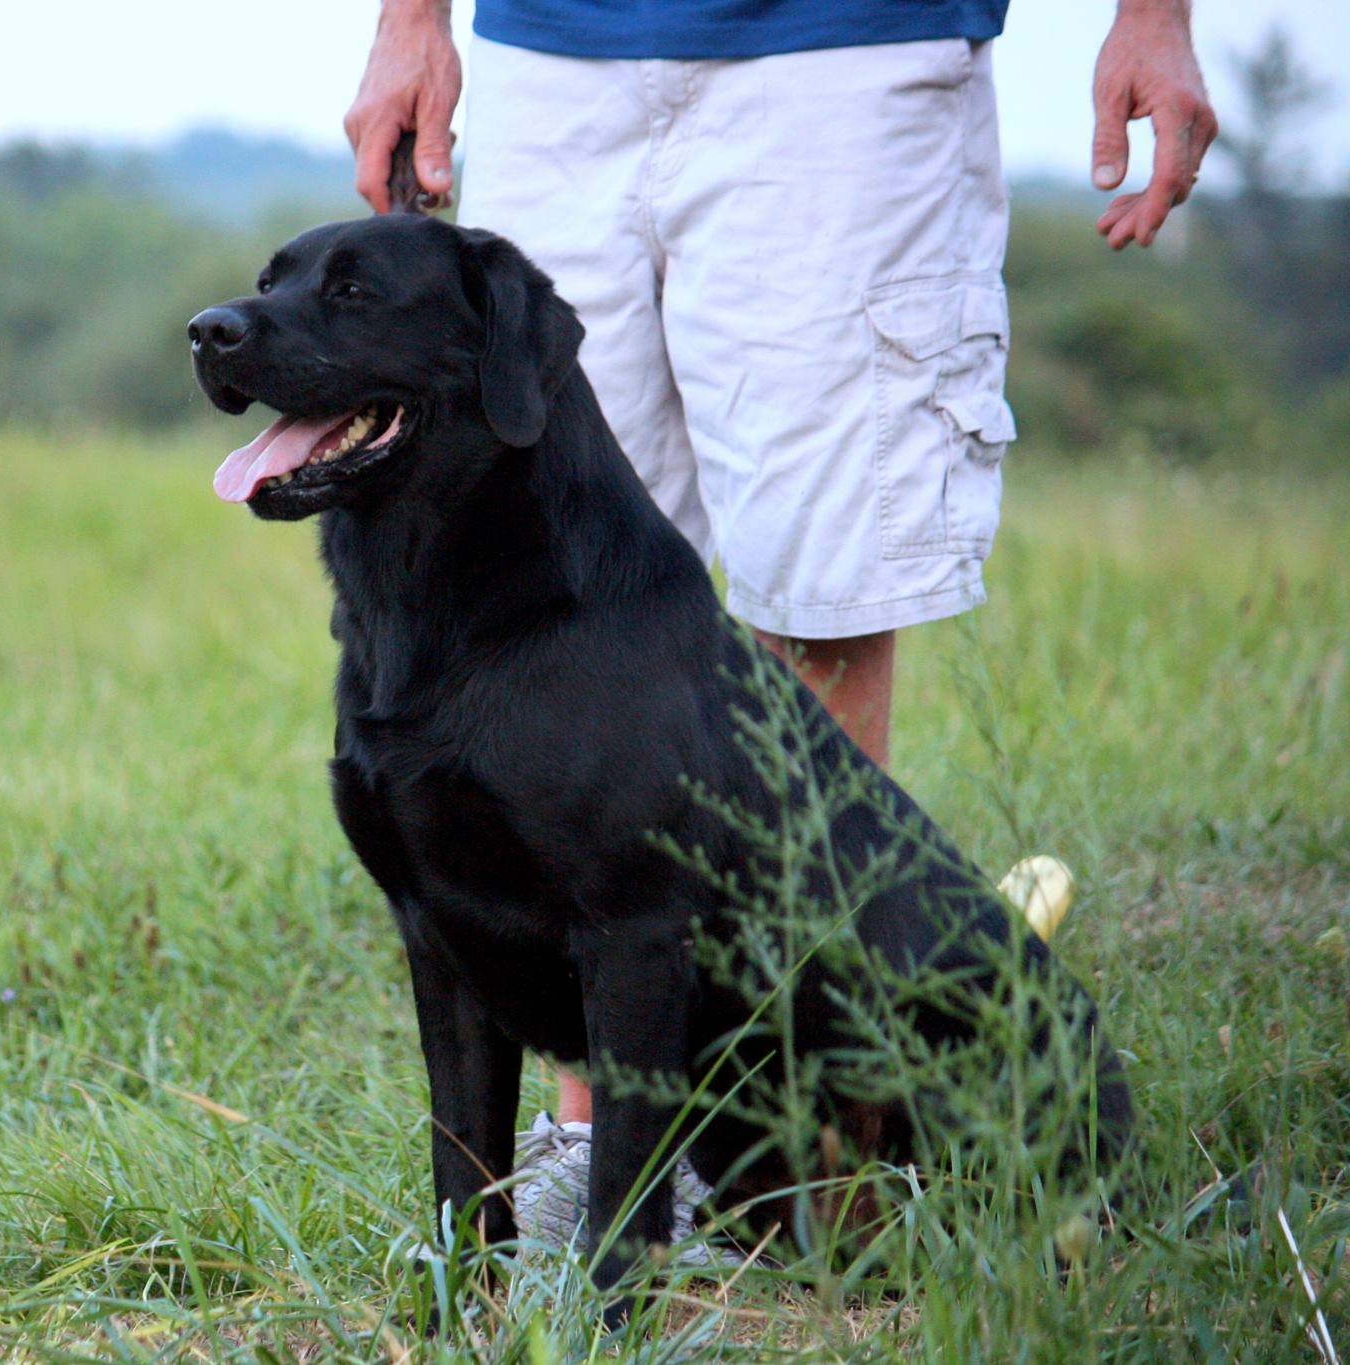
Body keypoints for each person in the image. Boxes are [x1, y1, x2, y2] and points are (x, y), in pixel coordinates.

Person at [344, 0, 1215, 1245]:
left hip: (841, 47)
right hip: (550, 51)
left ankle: (816, 1148)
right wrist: (409, 20)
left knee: (823, 595)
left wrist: (1154, 17)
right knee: (544, 577)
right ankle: (595, 1151)